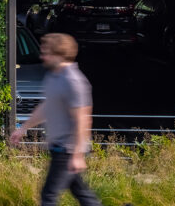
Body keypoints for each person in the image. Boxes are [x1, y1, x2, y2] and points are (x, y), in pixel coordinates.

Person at [10, 33, 104, 206]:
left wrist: (77, 155)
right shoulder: (54, 77)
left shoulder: (73, 81)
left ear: (58, 54)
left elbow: (82, 119)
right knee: (83, 195)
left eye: (46, 52)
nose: (42, 56)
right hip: (59, 148)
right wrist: (23, 129)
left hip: (67, 149)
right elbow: (46, 108)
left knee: (49, 196)